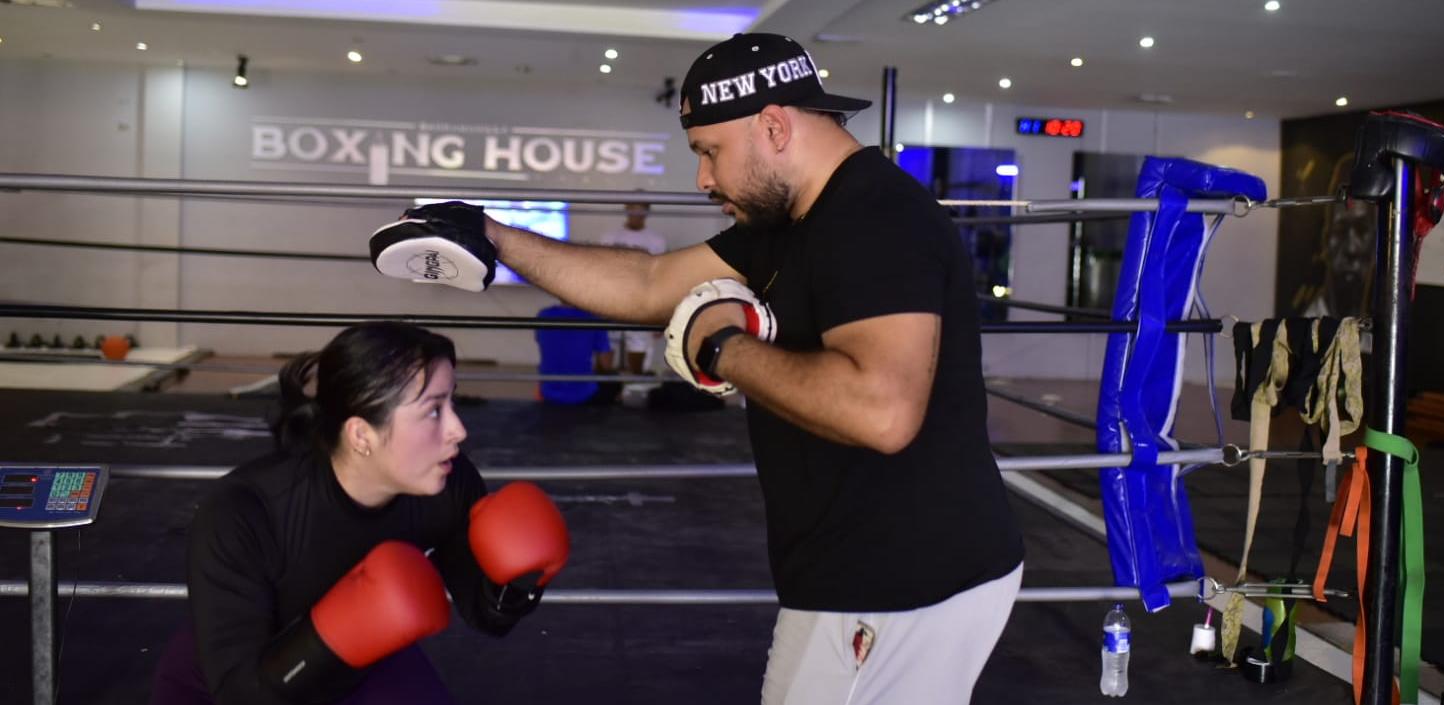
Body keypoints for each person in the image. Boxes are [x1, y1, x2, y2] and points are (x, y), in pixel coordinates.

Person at [370, 32, 1024, 705]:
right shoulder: (792, 220)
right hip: (855, 571)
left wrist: (721, 346)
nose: (702, 179)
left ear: (773, 126)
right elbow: (653, 283)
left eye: (709, 152)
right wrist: (493, 234)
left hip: (904, 581)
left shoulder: (873, 219)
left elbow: (881, 413)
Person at [150, 322, 569, 705]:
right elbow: (242, 694)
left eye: (452, 403)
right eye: (434, 410)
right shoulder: (243, 514)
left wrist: (520, 581)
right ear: (361, 435)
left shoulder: (447, 484)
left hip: (365, 658)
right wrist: (346, 630)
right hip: (233, 685)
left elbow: (486, 615)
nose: (459, 430)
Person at [596, 201, 668, 374]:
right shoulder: (609, 238)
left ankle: (635, 386)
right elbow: (597, 271)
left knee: (638, 341)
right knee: (606, 341)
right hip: (610, 299)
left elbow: (661, 278)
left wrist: (659, 315)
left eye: (641, 208)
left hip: (640, 300)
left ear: (647, 211)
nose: (636, 212)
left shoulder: (656, 241)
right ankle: (605, 388)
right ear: (626, 208)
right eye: (633, 207)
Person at [534, 299, 616, 404]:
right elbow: (606, 365)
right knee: (613, 380)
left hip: (548, 392)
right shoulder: (593, 318)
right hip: (583, 394)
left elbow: (541, 342)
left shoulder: (543, 315)